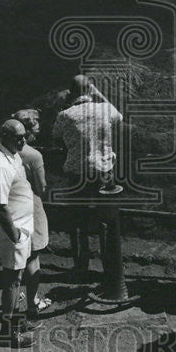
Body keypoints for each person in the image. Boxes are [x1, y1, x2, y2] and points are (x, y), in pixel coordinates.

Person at [52, 74, 123, 279]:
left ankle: (81, 265)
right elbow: (119, 117)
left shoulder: (66, 115)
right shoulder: (105, 110)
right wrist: (98, 94)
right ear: (90, 91)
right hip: (103, 172)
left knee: (78, 220)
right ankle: (110, 267)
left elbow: (56, 134)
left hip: (77, 173)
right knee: (106, 219)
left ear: (72, 93)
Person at [0, 119, 41, 346]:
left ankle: (14, 321)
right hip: (10, 229)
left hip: (19, 226)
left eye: (24, 135)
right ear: (4, 136)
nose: (23, 140)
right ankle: (8, 332)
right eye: (18, 137)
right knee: (13, 279)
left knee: (17, 275)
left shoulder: (12, 154)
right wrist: (14, 234)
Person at [11, 108, 52, 315]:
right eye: (35, 129)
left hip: (11, 206)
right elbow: (41, 186)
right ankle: (33, 303)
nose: (38, 132)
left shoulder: (4, 150)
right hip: (31, 206)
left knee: (15, 255)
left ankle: (14, 296)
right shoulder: (34, 155)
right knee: (33, 256)